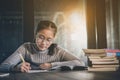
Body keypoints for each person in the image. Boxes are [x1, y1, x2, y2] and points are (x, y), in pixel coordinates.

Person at [0, 20, 85, 73]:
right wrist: (15, 68)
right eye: (41, 37)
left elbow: (80, 63)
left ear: (53, 39)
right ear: (35, 34)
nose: (43, 43)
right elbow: (3, 66)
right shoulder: (26, 48)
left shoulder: (57, 50)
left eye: (49, 39)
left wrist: (52, 65)